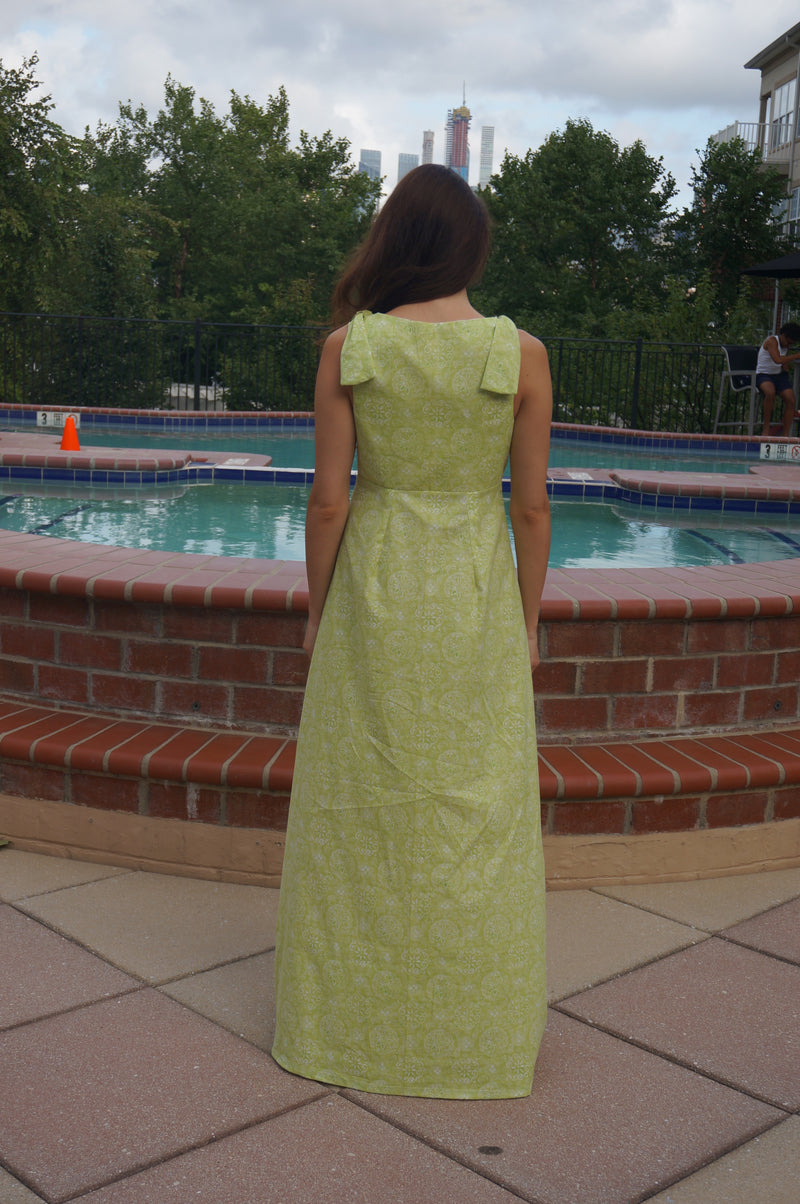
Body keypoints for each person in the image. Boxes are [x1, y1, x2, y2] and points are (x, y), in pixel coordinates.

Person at [271, 163, 552, 1100]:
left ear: (393, 242)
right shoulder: (520, 355)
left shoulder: (353, 348)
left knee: (358, 807)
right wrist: (527, 621)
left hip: (377, 588)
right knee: (479, 814)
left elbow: (325, 504)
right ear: (471, 250)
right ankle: (477, 1039)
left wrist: (319, 613)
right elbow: (533, 511)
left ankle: (343, 1028)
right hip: (474, 590)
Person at [755, 322, 800, 436]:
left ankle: (785, 435)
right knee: (770, 393)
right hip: (764, 374)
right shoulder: (772, 341)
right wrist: (796, 356)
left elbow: (782, 361)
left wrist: (785, 365)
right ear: (783, 335)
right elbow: (777, 359)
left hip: (778, 375)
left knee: (791, 400)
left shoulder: (785, 344)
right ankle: (766, 428)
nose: (788, 346)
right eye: (788, 343)